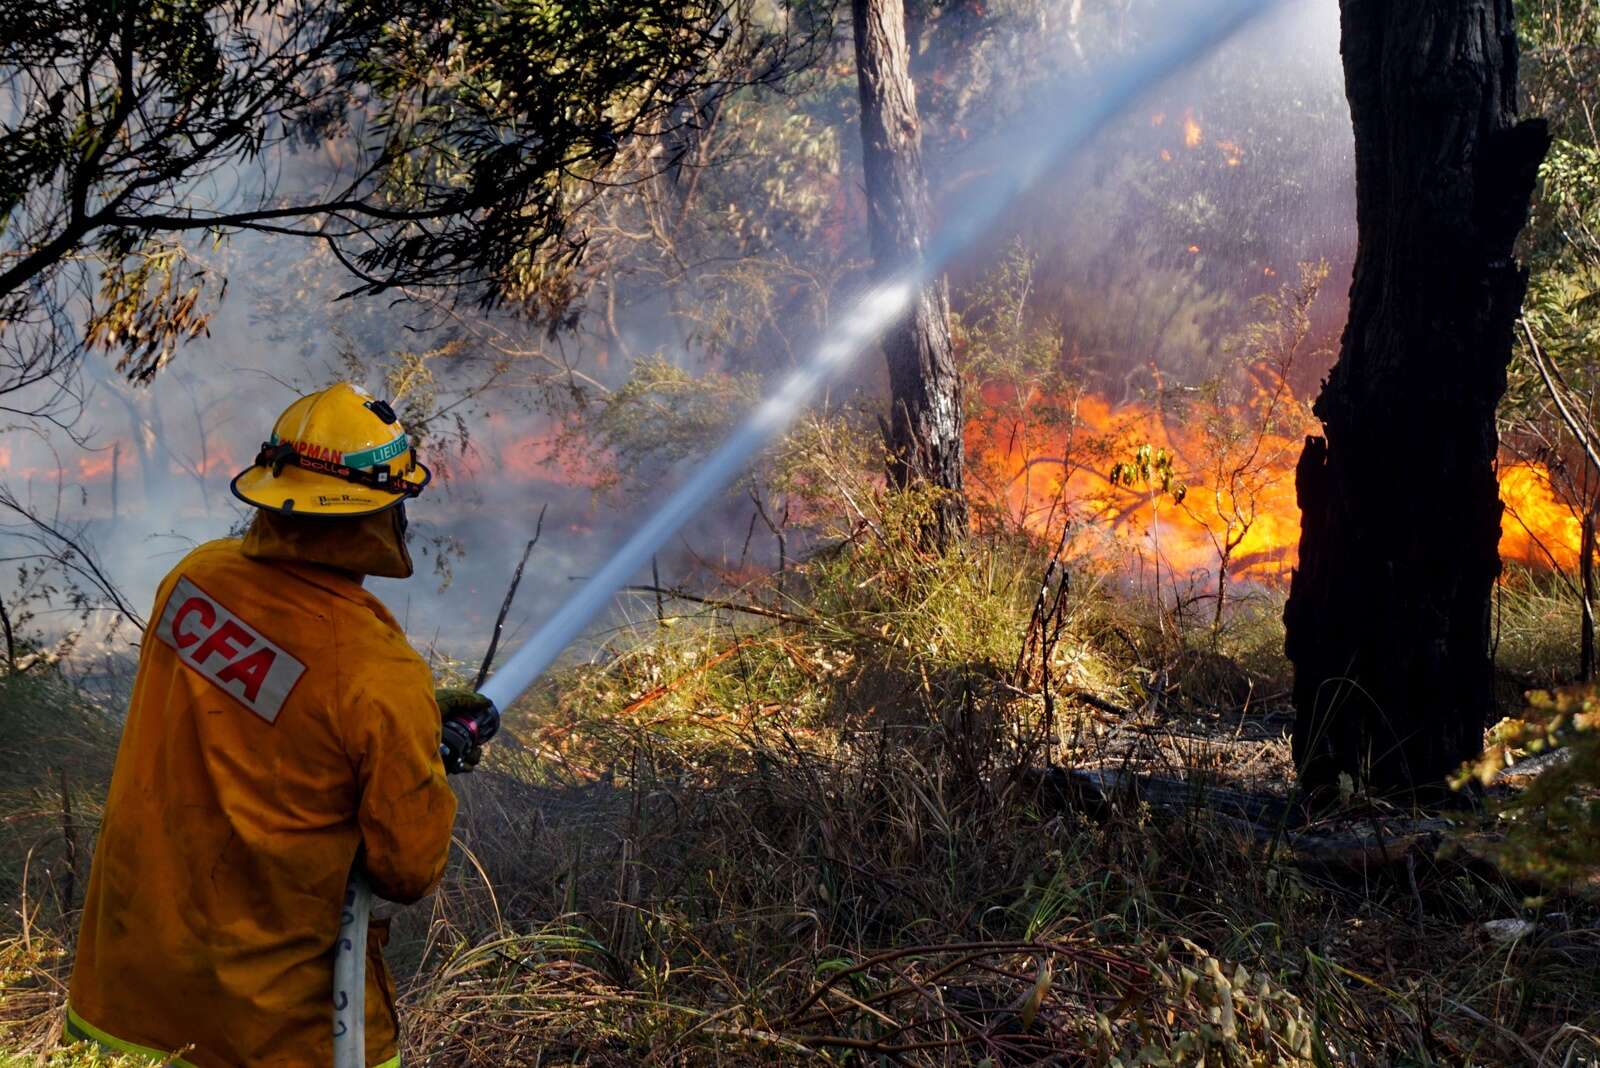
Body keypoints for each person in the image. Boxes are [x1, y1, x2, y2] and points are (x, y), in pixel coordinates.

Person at [66, 382, 495, 1067]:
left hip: (135, 982)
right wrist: (412, 745)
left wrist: (412, 721)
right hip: (271, 1025)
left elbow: (263, 709)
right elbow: (408, 870)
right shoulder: (374, 671)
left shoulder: (194, 579)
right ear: (374, 516)